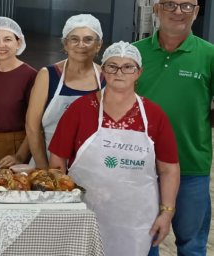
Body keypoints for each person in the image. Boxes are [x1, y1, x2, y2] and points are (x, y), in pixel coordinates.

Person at [50, 41, 179, 256]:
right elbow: (57, 160)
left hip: (136, 221)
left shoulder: (154, 115)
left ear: (139, 72)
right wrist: (61, 204)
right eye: (112, 66)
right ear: (103, 70)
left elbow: (169, 169)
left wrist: (166, 213)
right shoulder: (80, 109)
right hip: (85, 214)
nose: (120, 72)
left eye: (128, 66)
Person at [134, 0, 214, 255]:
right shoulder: (134, 53)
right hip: (140, 166)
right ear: (157, 9)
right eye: (169, 5)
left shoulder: (209, 55)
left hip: (191, 165)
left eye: (186, 6)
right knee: (144, 242)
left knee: (191, 245)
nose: (178, 12)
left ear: (196, 12)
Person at [25, 14, 103, 169]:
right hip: (47, 159)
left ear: (98, 45)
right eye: (74, 39)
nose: (81, 45)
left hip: (91, 166)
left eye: (88, 39)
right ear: (65, 44)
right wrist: (44, 170)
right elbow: (32, 126)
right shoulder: (48, 75)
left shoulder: (105, 78)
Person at [0, 17, 37, 167]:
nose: (1, 45)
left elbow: (36, 124)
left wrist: (19, 155)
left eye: (7, 39)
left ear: (18, 43)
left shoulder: (30, 75)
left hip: (14, 147)